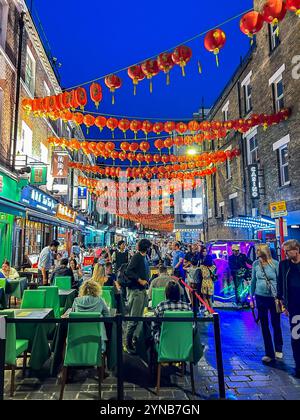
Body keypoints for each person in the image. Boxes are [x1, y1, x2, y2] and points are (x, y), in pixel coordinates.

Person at [251, 244, 283, 364]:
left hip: (274, 298)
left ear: (264, 251)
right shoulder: (255, 264)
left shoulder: (275, 264)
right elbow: (253, 281)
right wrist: (251, 298)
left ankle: (278, 348)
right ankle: (269, 352)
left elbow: (279, 280)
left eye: (258, 250)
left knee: (276, 323)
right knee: (264, 325)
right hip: (260, 297)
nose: (256, 252)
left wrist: (281, 296)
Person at [124, 239, 152, 353]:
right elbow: (128, 271)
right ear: (147, 248)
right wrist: (139, 280)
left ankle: (136, 339)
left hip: (142, 291)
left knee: (140, 317)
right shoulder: (137, 257)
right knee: (134, 318)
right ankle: (127, 343)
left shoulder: (144, 257)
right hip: (136, 291)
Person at [278, 240, 300, 378]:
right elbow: (280, 284)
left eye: (288, 251)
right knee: (296, 338)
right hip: (294, 307)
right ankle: (299, 367)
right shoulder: (284, 265)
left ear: (296, 249)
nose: (285, 254)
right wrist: (283, 305)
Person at [72, 279, 110, 352]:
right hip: (97, 337)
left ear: (82, 290)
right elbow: (107, 315)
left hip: (78, 336)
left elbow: (73, 315)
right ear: (96, 289)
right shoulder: (100, 300)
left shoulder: (76, 301)